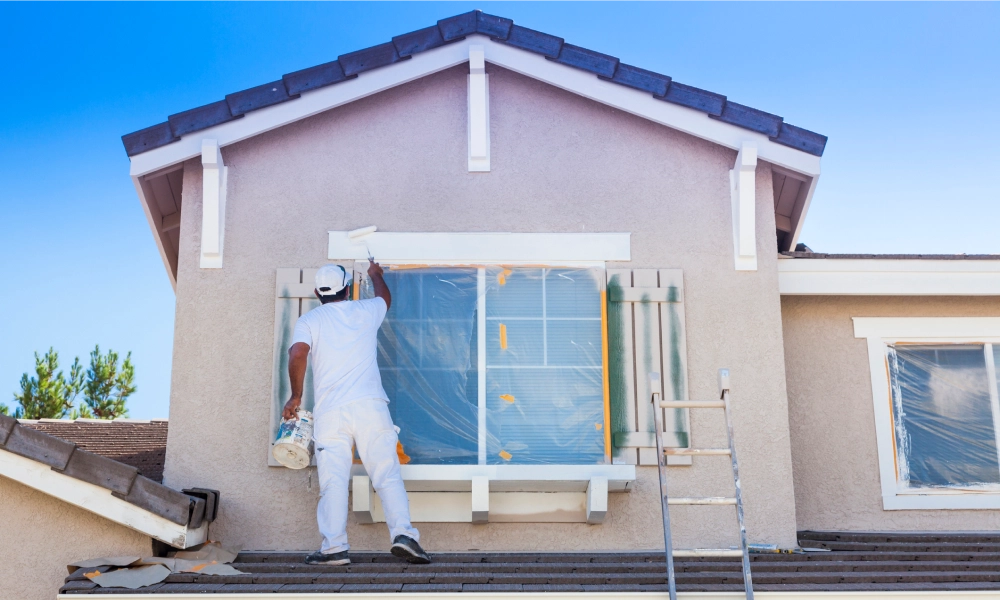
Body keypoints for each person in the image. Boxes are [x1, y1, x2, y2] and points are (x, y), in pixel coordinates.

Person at [282, 259, 430, 566]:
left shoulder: (310, 321)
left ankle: (334, 548)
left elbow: (298, 353)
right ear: (347, 289)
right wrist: (376, 275)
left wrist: (295, 396)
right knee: (386, 474)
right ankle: (405, 536)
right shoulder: (365, 311)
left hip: (331, 413)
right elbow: (384, 299)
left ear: (316, 293)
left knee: (333, 481)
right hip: (370, 407)